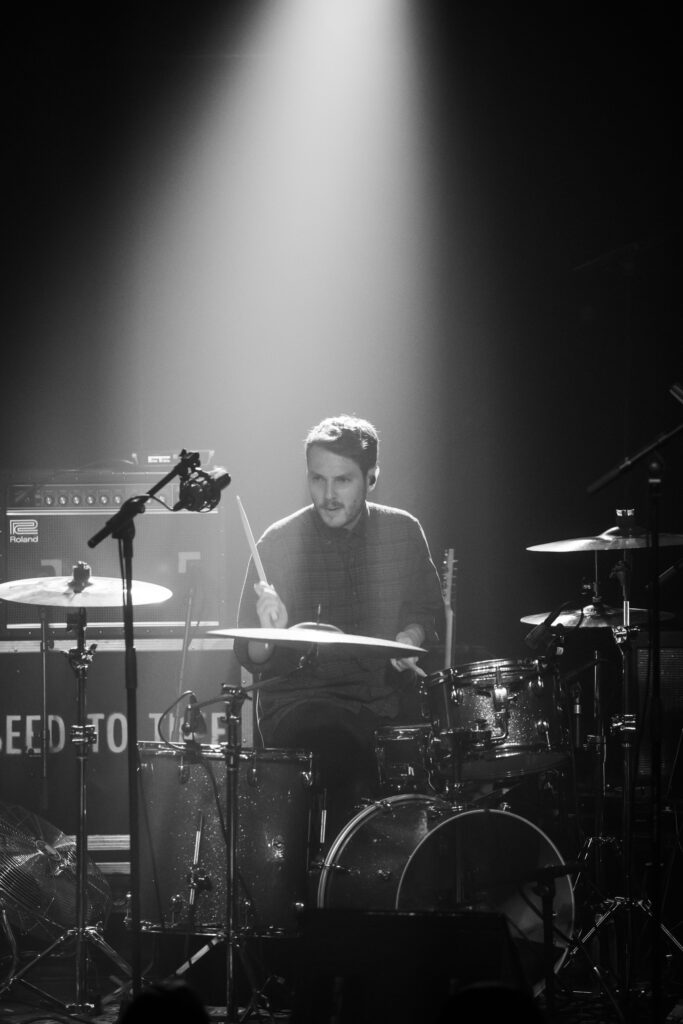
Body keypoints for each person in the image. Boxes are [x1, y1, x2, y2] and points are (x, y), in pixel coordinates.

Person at [234, 414, 444, 846]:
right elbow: (249, 657)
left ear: (372, 478)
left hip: (383, 699)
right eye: (317, 480)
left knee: (440, 750)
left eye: (343, 481)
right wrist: (266, 632)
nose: (327, 496)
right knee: (338, 748)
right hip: (302, 703)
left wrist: (411, 637)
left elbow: (427, 612)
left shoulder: (403, 532)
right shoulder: (279, 542)